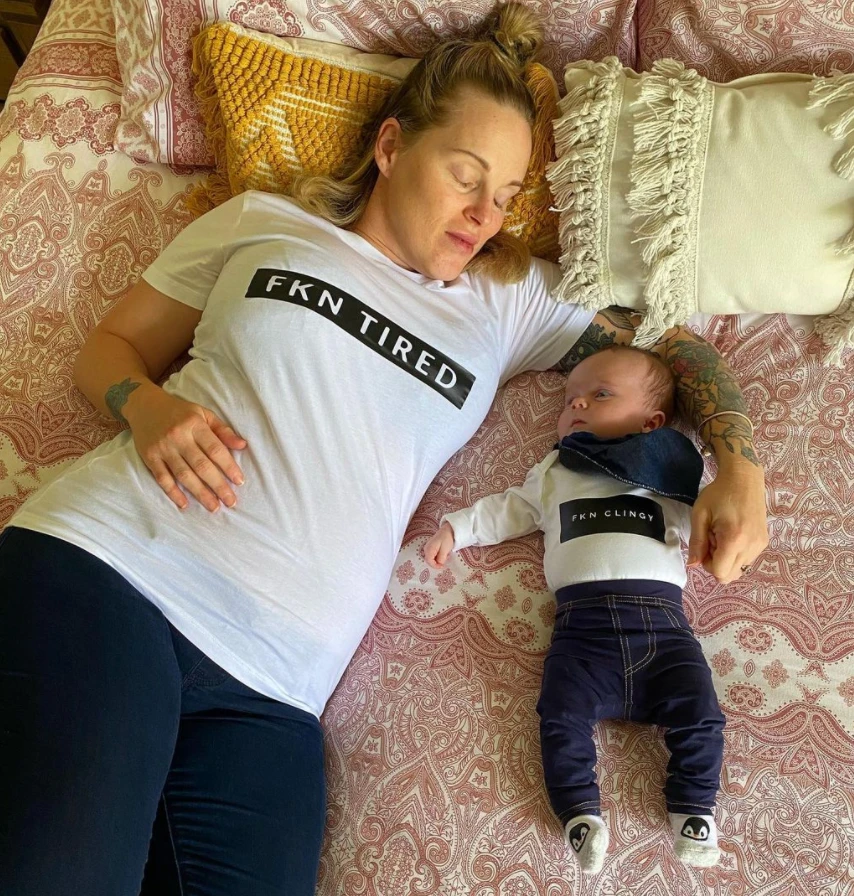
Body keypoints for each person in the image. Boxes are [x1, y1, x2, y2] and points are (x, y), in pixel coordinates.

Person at [0, 3, 767, 894]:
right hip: (115, 569)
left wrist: (741, 468)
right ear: (393, 145)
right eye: (465, 176)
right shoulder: (261, 223)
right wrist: (147, 406)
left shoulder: (507, 303)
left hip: (279, 687)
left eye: (506, 195)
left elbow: (673, 348)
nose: (484, 215)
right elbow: (107, 349)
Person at [425, 344, 728, 873]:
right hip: (582, 633)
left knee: (702, 714)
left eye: (600, 394)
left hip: (664, 631)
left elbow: (705, 519)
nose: (577, 405)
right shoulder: (555, 471)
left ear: (652, 422)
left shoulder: (666, 474)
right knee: (560, 715)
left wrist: (721, 540)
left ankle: (694, 808)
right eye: (570, 399)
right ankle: (579, 813)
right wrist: (458, 528)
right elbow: (511, 508)